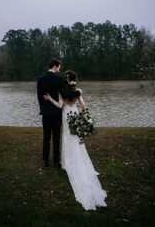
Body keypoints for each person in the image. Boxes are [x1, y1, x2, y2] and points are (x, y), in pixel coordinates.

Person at [43, 70, 107, 210]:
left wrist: (50, 99)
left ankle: (67, 162)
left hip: (66, 116)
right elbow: (83, 106)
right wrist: (86, 117)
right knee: (76, 139)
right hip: (76, 115)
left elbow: (60, 106)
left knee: (67, 138)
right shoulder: (77, 91)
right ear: (74, 81)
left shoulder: (63, 91)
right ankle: (76, 161)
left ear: (65, 81)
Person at [37, 59, 80, 168]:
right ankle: (56, 161)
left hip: (46, 113)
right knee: (56, 137)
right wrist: (78, 92)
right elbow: (65, 93)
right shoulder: (58, 79)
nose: (59, 69)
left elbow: (39, 97)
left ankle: (45, 160)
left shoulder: (41, 79)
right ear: (55, 66)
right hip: (56, 113)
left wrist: (43, 108)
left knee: (46, 136)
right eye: (59, 67)